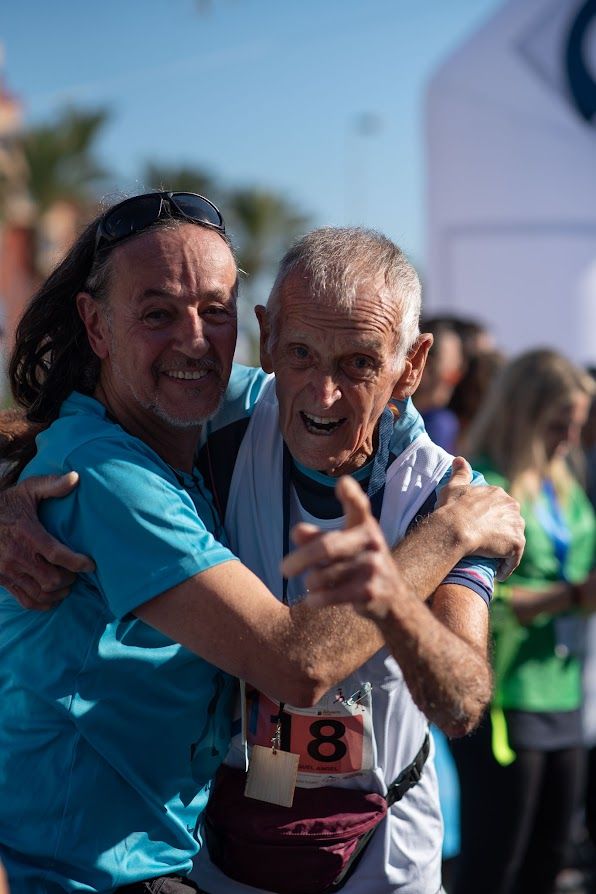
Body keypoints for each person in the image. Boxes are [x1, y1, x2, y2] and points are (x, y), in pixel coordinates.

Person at [0, 208, 524, 894]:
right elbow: (295, 664)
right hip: (173, 857)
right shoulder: (203, 432)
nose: (324, 391)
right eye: (301, 353)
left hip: (380, 851)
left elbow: (459, 705)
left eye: (361, 361)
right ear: (269, 338)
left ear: (411, 365)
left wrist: (424, 572)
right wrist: (431, 552)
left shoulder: (434, 489)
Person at [447, 349, 596, 894]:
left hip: (564, 694)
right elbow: (476, 600)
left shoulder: (564, 483)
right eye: (558, 426)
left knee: (550, 859)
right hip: (506, 700)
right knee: (495, 863)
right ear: (523, 414)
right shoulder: (486, 487)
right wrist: (570, 595)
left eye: (577, 427)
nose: (568, 441)